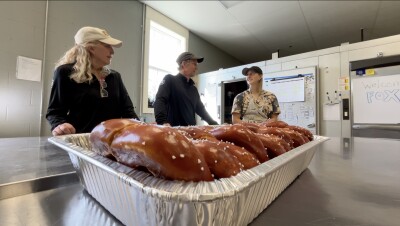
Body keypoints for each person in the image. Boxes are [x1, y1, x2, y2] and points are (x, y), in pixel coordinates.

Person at [46, 26, 139, 136]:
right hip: (81, 142)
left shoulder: (114, 76)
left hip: (112, 142)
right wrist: (60, 125)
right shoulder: (65, 72)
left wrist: (142, 128)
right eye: (107, 46)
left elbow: (128, 111)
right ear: (91, 48)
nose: (112, 51)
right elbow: (54, 112)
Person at [153, 52, 218, 126]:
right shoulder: (170, 80)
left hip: (191, 133)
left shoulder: (193, 89)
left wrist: (214, 124)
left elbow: (201, 110)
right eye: (194, 64)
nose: (196, 67)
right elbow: (160, 100)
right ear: (183, 64)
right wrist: (162, 122)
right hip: (174, 133)